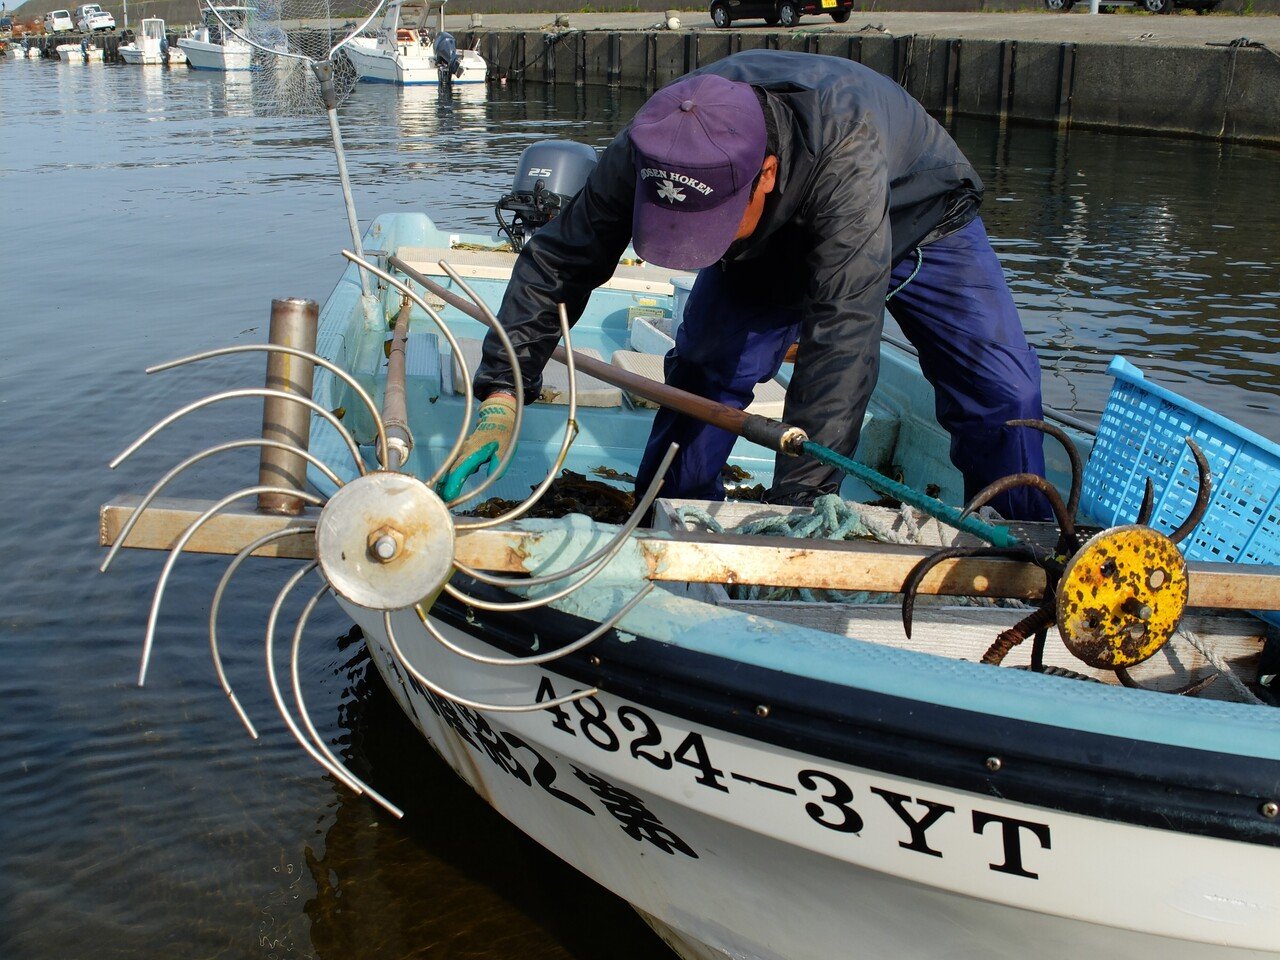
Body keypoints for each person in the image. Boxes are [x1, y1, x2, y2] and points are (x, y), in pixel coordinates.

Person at [440, 49, 1049, 520]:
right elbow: (559, 261)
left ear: (765, 175)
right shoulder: (653, 141)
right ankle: (666, 518)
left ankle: (1021, 547)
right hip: (777, 225)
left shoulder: (845, 154)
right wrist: (503, 391)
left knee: (1003, 393)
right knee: (706, 368)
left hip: (918, 212)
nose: (703, 246)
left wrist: (797, 514)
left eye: (710, 229)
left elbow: (843, 342)